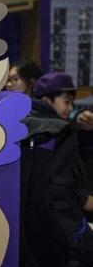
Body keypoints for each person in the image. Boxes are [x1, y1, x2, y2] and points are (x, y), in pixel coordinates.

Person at [30, 72, 93, 212]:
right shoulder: (58, 132)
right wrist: (84, 200)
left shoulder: (27, 124)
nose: (70, 108)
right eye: (66, 102)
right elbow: (61, 184)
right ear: (46, 101)